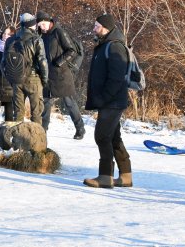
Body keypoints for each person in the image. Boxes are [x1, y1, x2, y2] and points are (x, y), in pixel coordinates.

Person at [83, 13, 132, 189]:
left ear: (106, 28)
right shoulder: (105, 45)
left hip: (112, 101)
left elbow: (116, 78)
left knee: (102, 136)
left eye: (97, 26)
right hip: (110, 101)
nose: (94, 29)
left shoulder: (114, 47)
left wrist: (104, 98)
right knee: (113, 137)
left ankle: (105, 176)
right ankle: (126, 176)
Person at [36, 11, 85, 140]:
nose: (42, 27)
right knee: (46, 104)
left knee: (69, 103)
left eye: (44, 24)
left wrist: (59, 62)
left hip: (62, 74)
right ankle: (43, 132)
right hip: (47, 75)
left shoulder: (59, 32)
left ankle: (80, 129)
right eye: (40, 25)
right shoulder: (41, 35)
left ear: (49, 21)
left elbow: (72, 50)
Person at [4, 13, 48, 126]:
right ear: (31, 25)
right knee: (36, 113)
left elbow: (3, 63)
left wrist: (11, 79)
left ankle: (19, 141)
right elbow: (42, 62)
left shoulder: (10, 41)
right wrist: (44, 80)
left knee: (18, 114)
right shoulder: (37, 40)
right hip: (33, 79)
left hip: (16, 80)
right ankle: (37, 142)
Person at [0, 25, 16, 146]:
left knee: (9, 118)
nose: (5, 36)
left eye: (9, 34)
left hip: (10, 87)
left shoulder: (15, 49)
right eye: (4, 34)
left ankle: (8, 141)